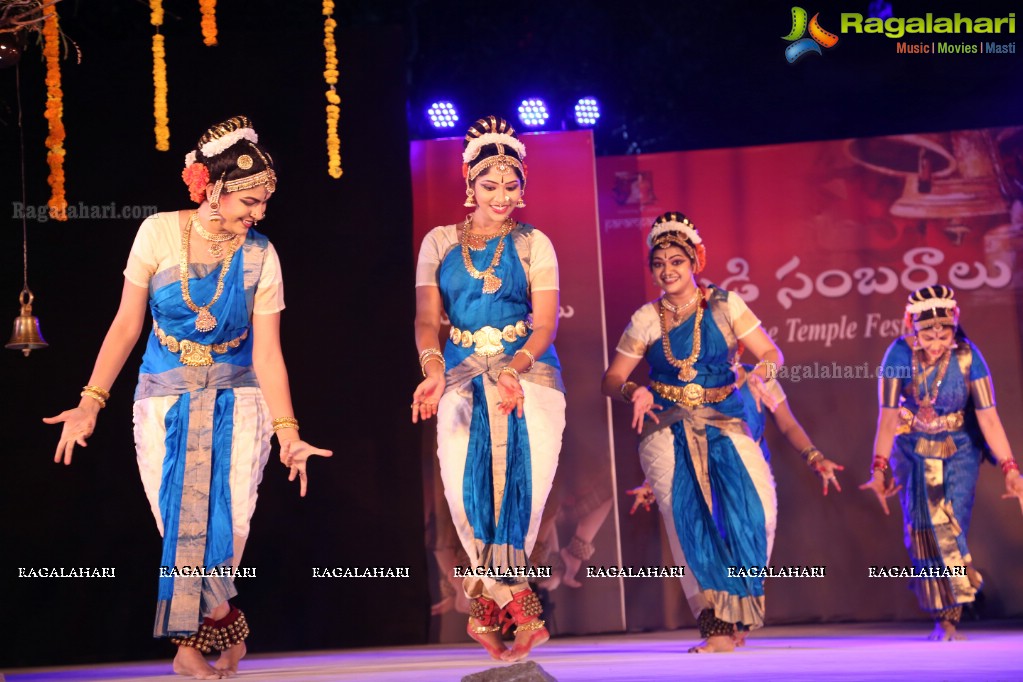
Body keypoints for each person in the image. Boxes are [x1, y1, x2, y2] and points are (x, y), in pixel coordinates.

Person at [43, 116, 332, 680]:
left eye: (265, 201)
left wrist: (289, 431)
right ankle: (222, 633)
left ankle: (188, 647)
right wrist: (91, 401)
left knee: (229, 531)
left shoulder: (261, 255)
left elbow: (268, 353)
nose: (260, 213)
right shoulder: (155, 232)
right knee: (177, 522)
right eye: (250, 200)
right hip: (163, 400)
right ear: (215, 187)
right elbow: (127, 324)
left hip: (240, 402)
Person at [412, 116, 564, 662]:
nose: (501, 197)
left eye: (510, 185)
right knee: (465, 495)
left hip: (531, 378)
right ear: (470, 185)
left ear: (522, 187)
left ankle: (487, 610)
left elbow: (545, 325)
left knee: (519, 499)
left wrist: (515, 366)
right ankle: (517, 607)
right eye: (490, 185)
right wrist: (431, 368)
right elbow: (427, 319)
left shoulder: (534, 243)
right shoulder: (438, 242)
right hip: (458, 376)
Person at [602, 212, 783, 653]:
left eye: (677, 261)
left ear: (695, 260)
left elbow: (770, 352)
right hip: (666, 427)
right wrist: (634, 391)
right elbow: (612, 379)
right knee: (688, 523)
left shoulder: (726, 304)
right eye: (659, 263)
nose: (668, 271)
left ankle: (736, 607)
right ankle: (716, 628)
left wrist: (761, 374)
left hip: (725, 418)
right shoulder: (647, 317)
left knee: (760, 511)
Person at [860, 285, 1023, 641]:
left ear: (954, 326)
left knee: (949, 525)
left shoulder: (967, 357)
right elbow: (888, 417)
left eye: (944, 333)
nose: (935, 343)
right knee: (923, 532)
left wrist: (1011, 469)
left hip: (958, 450)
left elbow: (989, 417)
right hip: (912, 451)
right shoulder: (898, 354)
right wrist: (879, 466)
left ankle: (957, 605)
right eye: (927, 334)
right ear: (911, 327)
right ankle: (945, 618)